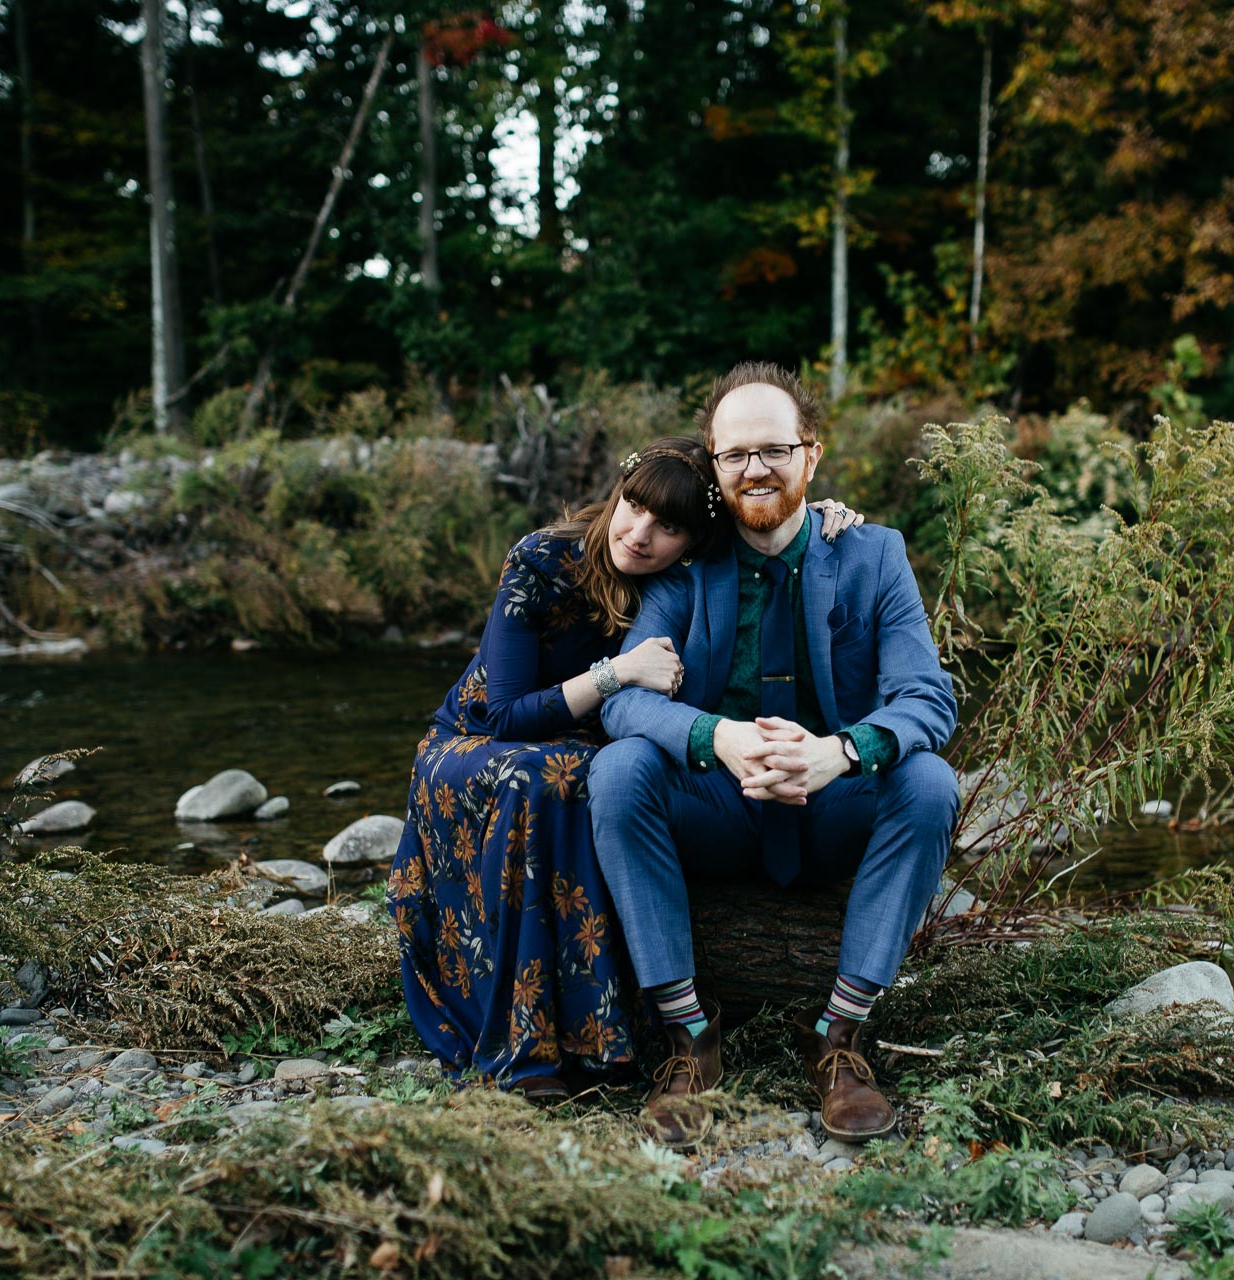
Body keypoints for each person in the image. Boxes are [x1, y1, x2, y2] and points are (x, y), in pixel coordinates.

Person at [386, 435, 863, 1099]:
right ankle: (523, 1044)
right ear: (617, 494)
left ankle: (597, 1040)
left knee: (593, 775)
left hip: (583, 747)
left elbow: (772, 535)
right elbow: (505, 717)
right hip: (475, 746)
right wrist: (615, 675)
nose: (639, 535)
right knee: (547, 776)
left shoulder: (686, 581)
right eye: (633, 507)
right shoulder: (545, 558)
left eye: (668, 528)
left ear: (694, 541)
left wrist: (819, 518)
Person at [588, 363, 959, 1147]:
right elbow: (624, 699)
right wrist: (715, 737)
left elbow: (929, 699)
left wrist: (840, 753)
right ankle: (689, 1039)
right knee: (619, 771)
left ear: (812, 457)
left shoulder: (874, 554)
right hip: (718, 810)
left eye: (775, 449)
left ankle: (838, 1036)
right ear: (716, 471)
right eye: (736, 454)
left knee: (926, 781)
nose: (756, 468)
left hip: (832, 810)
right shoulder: (686, 568)